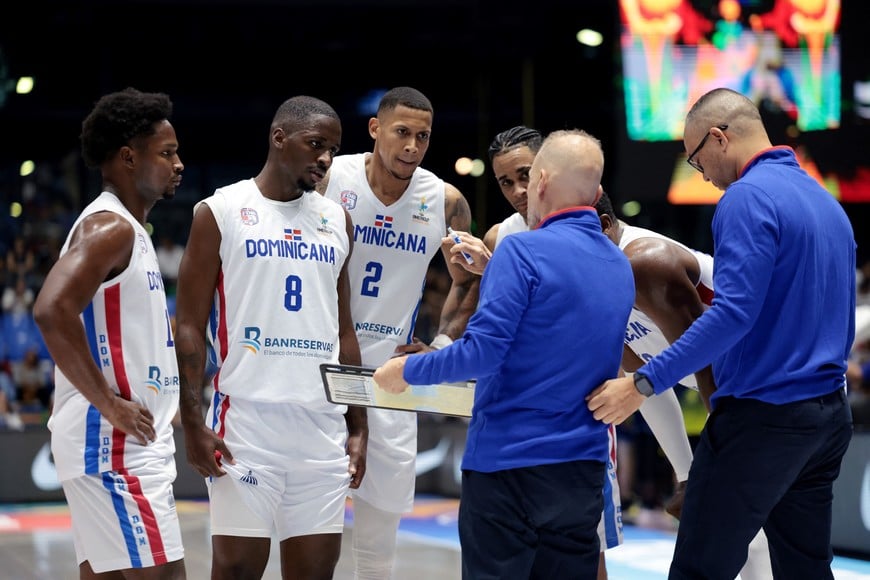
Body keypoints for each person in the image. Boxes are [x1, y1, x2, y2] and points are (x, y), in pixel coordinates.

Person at [587, 87, 855, 579]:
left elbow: (732, 315)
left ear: (718, 138)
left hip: (764, 416)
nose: (703, 176)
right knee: (805, 567)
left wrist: (644, 382)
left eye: (696, 160)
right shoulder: (827, 203)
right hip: (828, 417)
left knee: (698, 567)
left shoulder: (746, 199)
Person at [374, 129, 636, 579]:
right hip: (581, 470)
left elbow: (483, 352)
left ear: (541, 181)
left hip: (508, 466)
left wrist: (408, 369)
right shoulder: (619, 265)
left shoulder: (520, 249)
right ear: (595, 192)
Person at [173, 95, 366, 579]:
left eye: (333, 149)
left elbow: (344, 330)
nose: (325, 158)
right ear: (279, 138)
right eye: (315, 144)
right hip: (247, 428)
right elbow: (189, 326)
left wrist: (360, 427)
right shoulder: (220, 211)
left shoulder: (336, 221)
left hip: (322, 432)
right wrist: (192, 421)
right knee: (236, 571)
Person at [317, 86, 480, 579]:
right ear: (375, 130)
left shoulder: (446, 200)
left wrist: (439, 346)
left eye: (423, 137)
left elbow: (470, 283)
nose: (412, 146)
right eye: (402, 133)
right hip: (320, 368)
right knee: (309, 526)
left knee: (377, 541)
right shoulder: (330, 178)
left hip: (391, 376)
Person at [32, 87, 186, 578]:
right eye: (166, 153)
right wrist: (109, 403)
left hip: (118, 445)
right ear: (127, 158)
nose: (178, 164)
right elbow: (51, 310)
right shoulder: (110, 228)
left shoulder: (131, 232)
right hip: (115, 447)